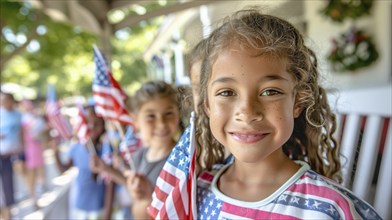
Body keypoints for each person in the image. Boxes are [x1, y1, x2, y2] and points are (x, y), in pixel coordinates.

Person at [145, 9, 382, 219]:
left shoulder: (328, 209)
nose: (247, 112)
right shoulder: (192, 192)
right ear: (206, 105)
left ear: (297, 101)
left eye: (270, 91)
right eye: (227, 92)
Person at [90, 80, 182, 219]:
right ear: (135, 120)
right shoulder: (139, 156)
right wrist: (107, 169)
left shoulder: (184, 160)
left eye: (168, 113)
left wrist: (145, 200)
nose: (161, 124)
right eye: (151, 116)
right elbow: (136, 199)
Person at [50, 104, 113, 220]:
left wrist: (107, 215)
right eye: (87, 123)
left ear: (103, 125)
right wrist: (55, 153)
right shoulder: (76, 147)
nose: (92, 127)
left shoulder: (107, 150)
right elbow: (63, 169)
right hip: (80, 204)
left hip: (99, 208)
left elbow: (110, 184)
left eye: (97, 123)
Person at [0, 92, 24, 220]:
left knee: (8, 184)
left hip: (11, 155)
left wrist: (21, 148)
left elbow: (21, 132)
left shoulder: (18, 114)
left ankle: (8, 213)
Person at [20, 99, 48, 205]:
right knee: (29, 172)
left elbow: (43, 131)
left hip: (36, 147)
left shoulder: (35, 117)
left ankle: (36, 191)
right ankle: (32, 194)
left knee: (37, 170)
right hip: (27, 149)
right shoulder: (23, 118)